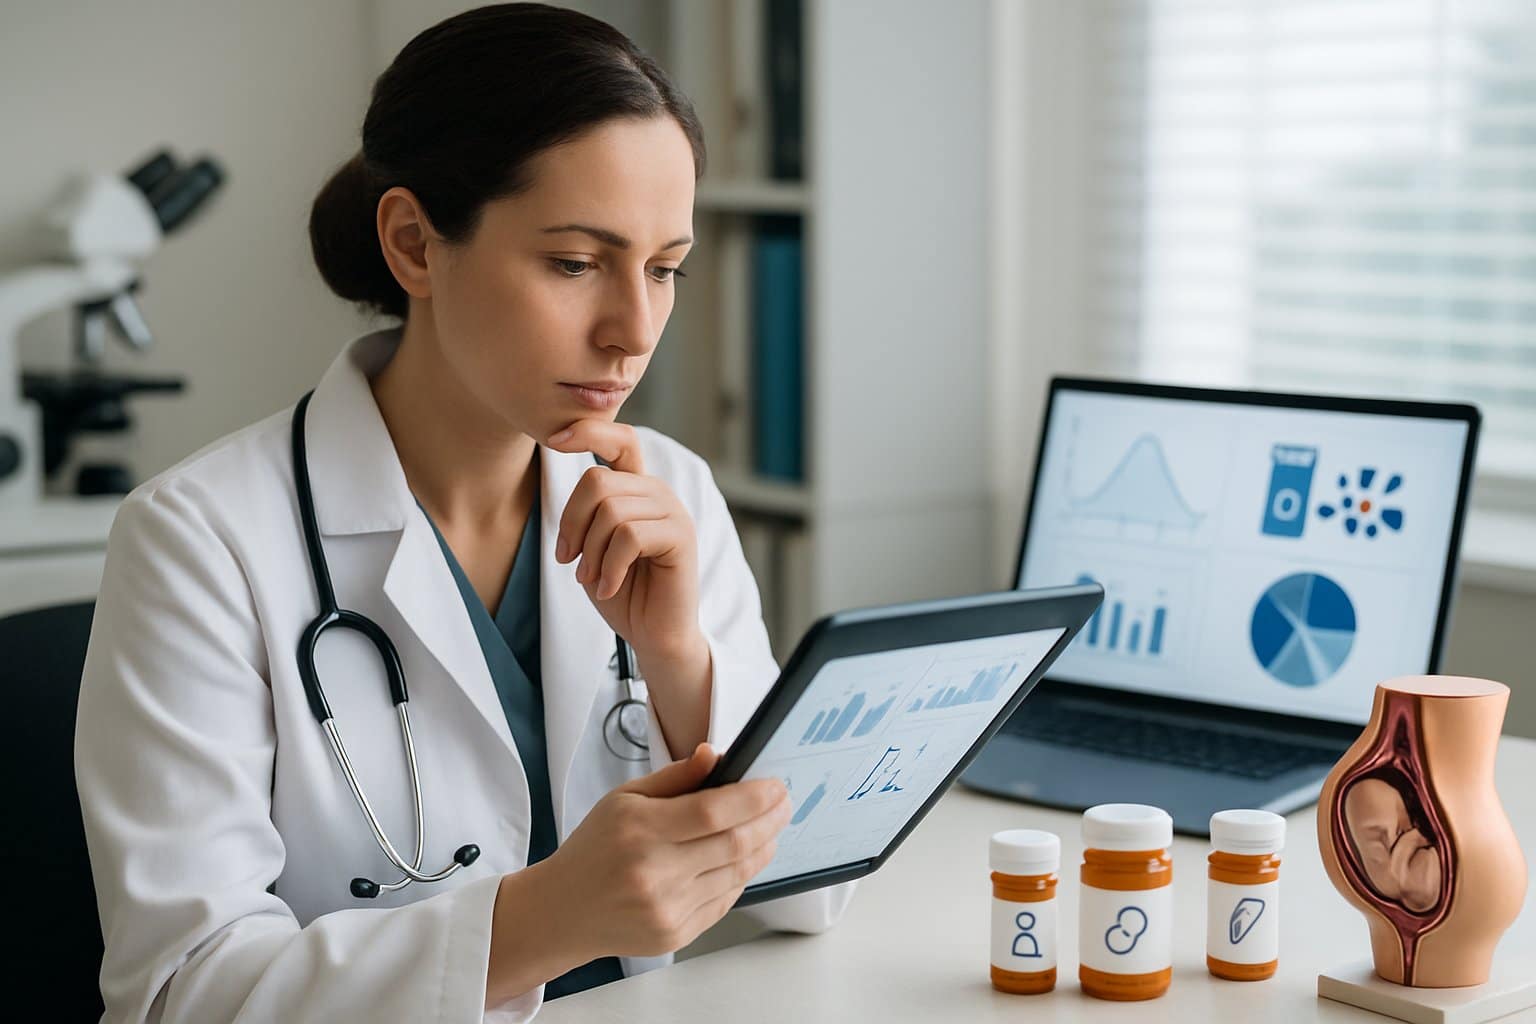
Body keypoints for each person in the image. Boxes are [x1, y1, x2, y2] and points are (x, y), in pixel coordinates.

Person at [74, 5, 852, 1020]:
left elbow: (817, 890)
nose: (634, 331)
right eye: (576, 263)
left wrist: (680, 666)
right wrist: (545, 918)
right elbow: (182, 994)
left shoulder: (669, 489)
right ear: (414, 244)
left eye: (665, 269)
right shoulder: (198, 543)